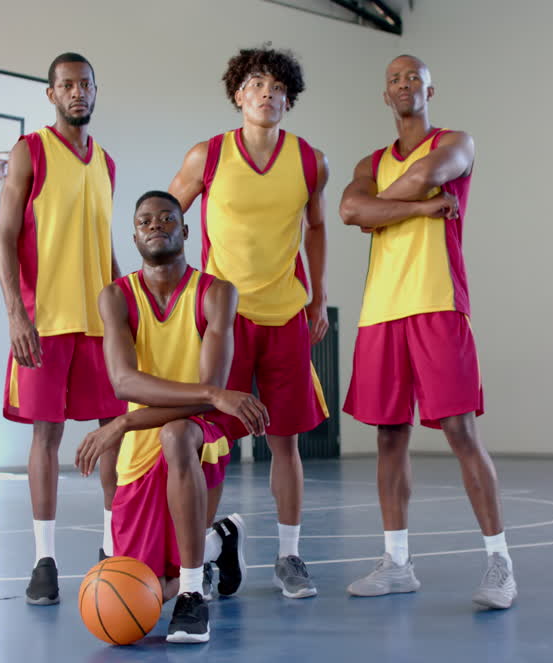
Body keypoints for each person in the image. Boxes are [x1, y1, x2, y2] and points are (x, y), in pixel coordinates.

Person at [337, 55, 516, 609]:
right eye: (394, 78)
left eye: (414, 76)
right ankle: (396, 564)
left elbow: (425, 176)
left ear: (430, 88)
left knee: (461, 432)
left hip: (438, 303)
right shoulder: (370, 160)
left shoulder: (456, 142)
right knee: (389, 437)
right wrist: (418, 210)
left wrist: (378, 209)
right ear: (384, 96)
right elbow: (347, 208)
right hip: (381, 312)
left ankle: (499, 564)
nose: (404, 84)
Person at [167, 46, 329, 599]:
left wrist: (319, 295)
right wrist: (180, 293)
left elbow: (316, 228)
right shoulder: (207, 156)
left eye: (279, 87)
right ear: (239, 94)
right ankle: (204, 556)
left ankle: (289, 556)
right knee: (215, 442)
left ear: (289, 100)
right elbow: (166, 216)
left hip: (286, 314)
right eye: (258, 84)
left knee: (285, 442)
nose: (268, 93)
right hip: (224, 320)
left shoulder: (310, 160)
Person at [75, 191, 269, 643]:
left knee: (177, 434)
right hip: (141, 447)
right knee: (139, 586)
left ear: (185, 231)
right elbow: (125, 384)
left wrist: (128, 420)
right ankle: (219, 542)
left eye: (167, 218)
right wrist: (126, 420)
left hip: (198, 438)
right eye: (145, 221)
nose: (156, 225)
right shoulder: (116, 297)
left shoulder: (216, 293)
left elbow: (208, 405)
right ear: (135, 236)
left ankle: (192, 596)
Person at [0, 52, 125, 606]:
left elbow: (106, 248)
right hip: (44, 323)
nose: (78, 93)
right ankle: (44, 560)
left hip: (98, 324)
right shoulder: (30, 152)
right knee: (45, 436)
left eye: (86, 84)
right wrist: (16, 315)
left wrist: (126, 312)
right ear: (51, 94)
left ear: (96, 91)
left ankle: (112, 545)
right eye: (67, 85)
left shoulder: (107, 164)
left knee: (118, 430)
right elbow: (3, 236)